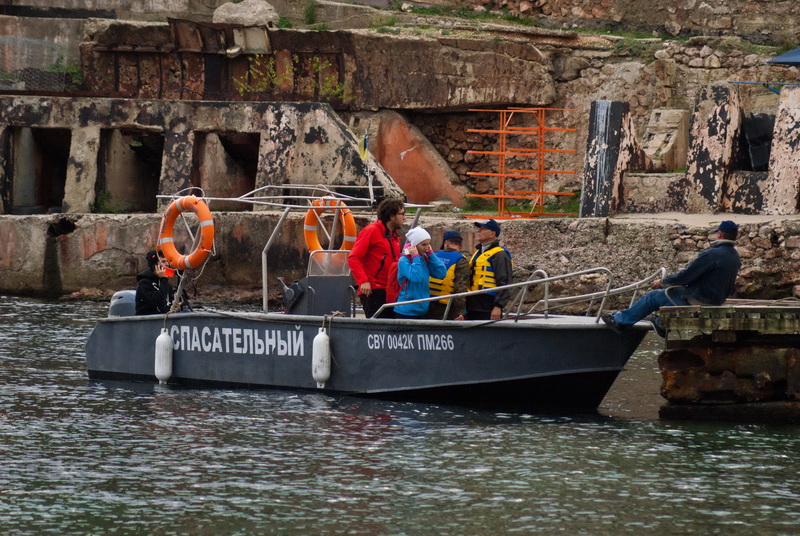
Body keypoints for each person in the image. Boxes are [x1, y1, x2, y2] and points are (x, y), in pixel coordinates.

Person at [602, 220, 741, 336]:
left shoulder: (712, 254)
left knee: (653, 296)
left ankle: (620, 321)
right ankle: (661, 323)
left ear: (720, 234)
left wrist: (663, 282)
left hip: (700, 302)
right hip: (715, 301)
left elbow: (686, 276)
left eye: (717, 233)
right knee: (674, 292)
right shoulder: (734, 256)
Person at [347, 197, 405, 318]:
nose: (404, 217)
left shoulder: (394, 237)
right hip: (373, 290)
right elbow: (354, 257)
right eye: (402, 214)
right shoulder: (372, 231)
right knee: (378, 329)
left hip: (390, 290)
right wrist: (363, 281)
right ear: (391, 216)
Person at [460, 219, 513, 321]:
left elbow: (504, 281)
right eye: (479, 229)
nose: (478, 231)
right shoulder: (478, 253)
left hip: (488, 306)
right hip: (473, 305)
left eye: (483, 229)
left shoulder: (500, 255)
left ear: (492, 234)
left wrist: (498, 306)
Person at [394, 227, 447, 319]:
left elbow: (441, 273)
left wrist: (431, 254)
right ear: (414, 245)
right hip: (406, 310)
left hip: (422, 309)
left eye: (428, 244)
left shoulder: (424, 259)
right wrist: (415, 257)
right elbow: (416, 277)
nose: (427, 248)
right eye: (424, 245)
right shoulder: (404, 260)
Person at [427, 230, 470, 320]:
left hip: (427, 303)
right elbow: (460, 287)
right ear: (460, 246)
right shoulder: (461, 260)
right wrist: (461, 312)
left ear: (446, 243)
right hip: (447, 306)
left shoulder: (433, 256)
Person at [135, 250, 175, 315]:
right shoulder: (144, 284)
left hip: (164, 320)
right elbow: (159, 301)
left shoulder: (166, 284)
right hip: (148, 321)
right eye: (163, 261)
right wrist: (164, 278)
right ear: (155, 266)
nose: (167, 264)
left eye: (167, 261)